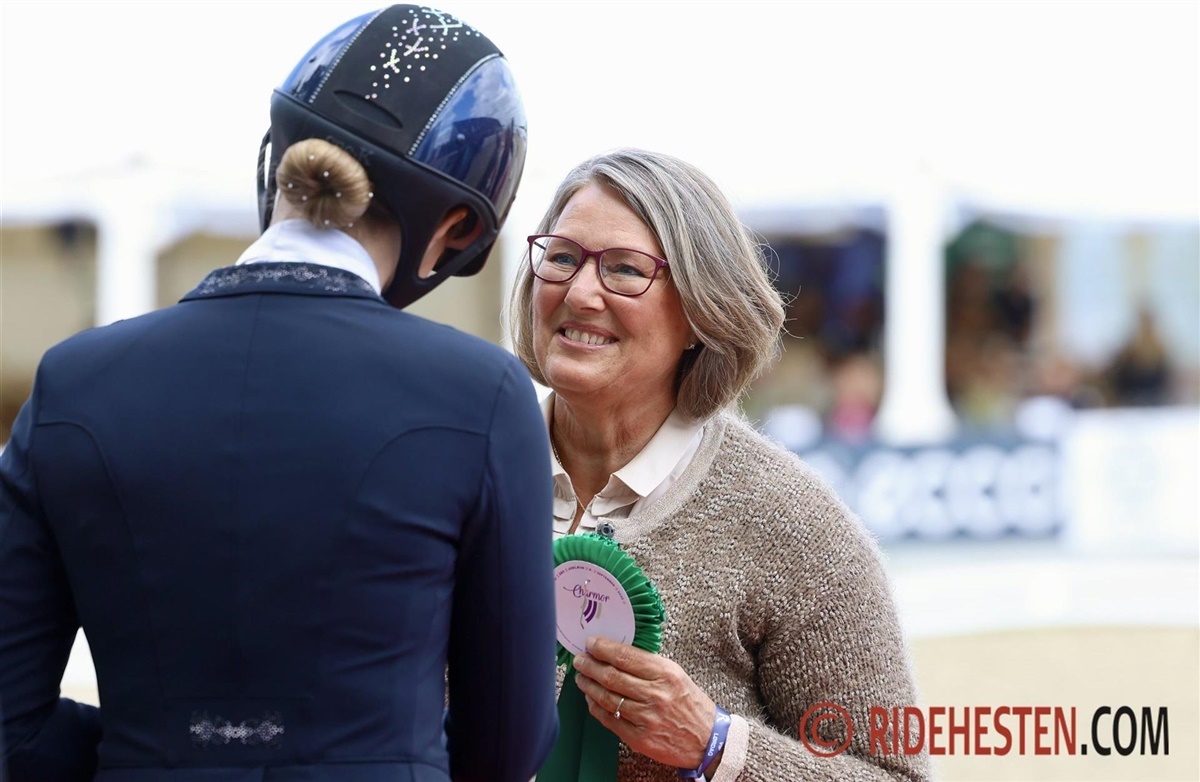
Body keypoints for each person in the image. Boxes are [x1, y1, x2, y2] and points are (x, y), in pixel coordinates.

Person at [0, 6, 558, 781]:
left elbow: (11, 726)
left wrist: (158, 750)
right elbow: (507, 745)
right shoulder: (483, 395)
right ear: (459, 225)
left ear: (279, 158)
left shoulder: (73, 381)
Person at [507, 148, 930, 781]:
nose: (580, 291)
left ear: (700, 315)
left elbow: (895, 775)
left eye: (625, 269)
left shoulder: (795, 527)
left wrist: (718, 748)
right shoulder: (458, 476)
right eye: (563, 257)